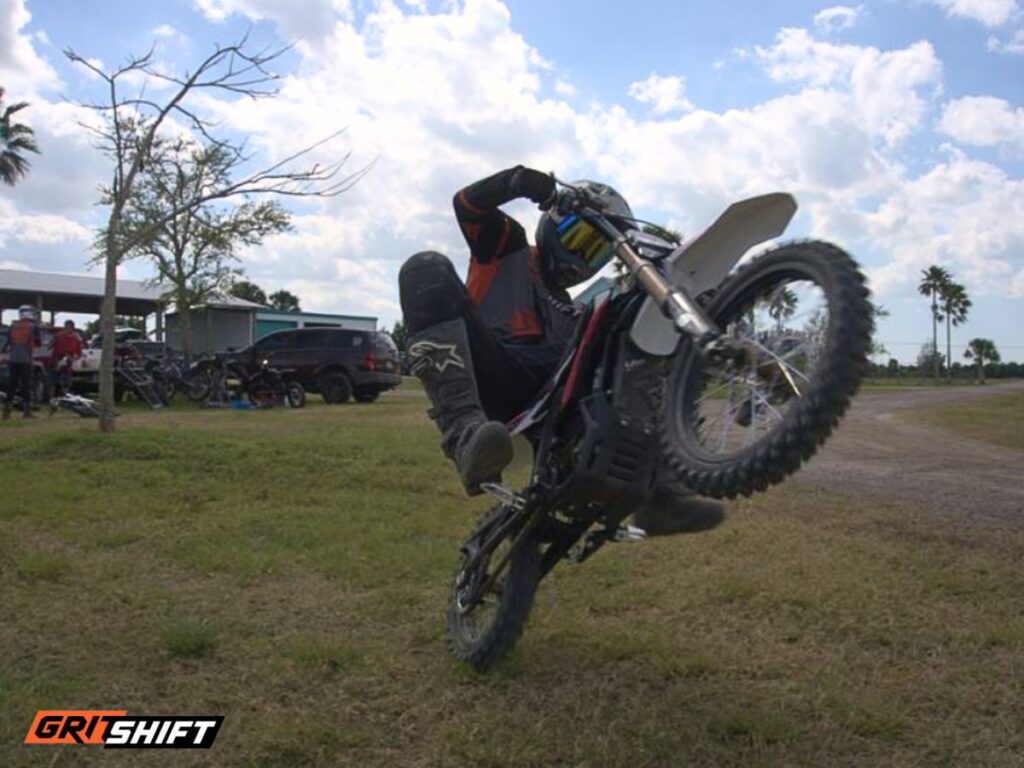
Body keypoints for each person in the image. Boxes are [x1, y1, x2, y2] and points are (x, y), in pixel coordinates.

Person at [398, 166, 723, 534]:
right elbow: (468, 205)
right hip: (492, 371)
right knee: (425, 268)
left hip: (553, 401)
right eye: (579, 238)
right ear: (553, 225)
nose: (581, 258)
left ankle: (660, 495)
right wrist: (519, 181)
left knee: (633, 339)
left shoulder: (580, 314)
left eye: (596, 251)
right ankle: (464, 437)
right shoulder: (507, 249)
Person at [2, 305, 41, 420]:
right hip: (26, 359)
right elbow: (38, 343)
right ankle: (26, 412)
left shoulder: (13, 326)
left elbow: (7, 343)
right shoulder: (33, 327)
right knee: (26, 386)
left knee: (12, 385)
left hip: (13, 359)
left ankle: (6, 412)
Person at [50, 319, 83, 396]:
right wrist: (55, 338)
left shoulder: (76, 338)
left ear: (72, 328)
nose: (67, 329)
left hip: (68, 361)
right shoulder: (59, 336)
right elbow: (50, 346)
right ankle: (51, 398)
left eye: (69, 327)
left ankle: (65, 397)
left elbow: (79, 353)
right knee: (53, 380)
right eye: (65, 327)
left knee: (66, 381)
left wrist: (73, 358)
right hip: (57, 359)